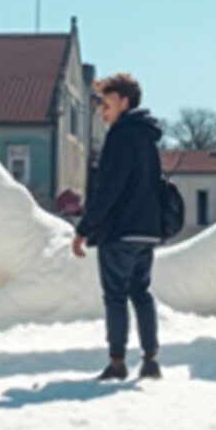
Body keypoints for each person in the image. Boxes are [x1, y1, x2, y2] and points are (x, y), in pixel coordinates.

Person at [74, 72, 164, 382]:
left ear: (124, 102)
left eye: (107, 102)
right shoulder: (147, 138)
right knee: (142, 292)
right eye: (99, 104)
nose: (102, 110)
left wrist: (85, 228)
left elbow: (109, 188)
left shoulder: (120, 136)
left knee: (115, 295)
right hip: (147, 230)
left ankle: (117, 362)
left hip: (121, 230)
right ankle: (151, 359)